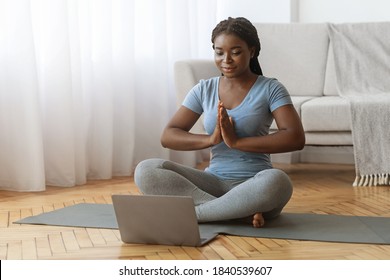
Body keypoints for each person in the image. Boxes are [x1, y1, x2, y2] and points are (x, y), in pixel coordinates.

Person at [134, 17, 305, 228]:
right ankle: (233, 212)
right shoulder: (204, 89)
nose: (226, 59)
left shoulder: (271, 88)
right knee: (147, 169)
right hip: (211, 184)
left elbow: (295, 137)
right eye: (219, 52)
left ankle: (197, 214)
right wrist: (212, 139)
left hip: (255, 186)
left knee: (279, 182)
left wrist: (236, 142)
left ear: (251, 51)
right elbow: (168, 135)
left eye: (235, 52)